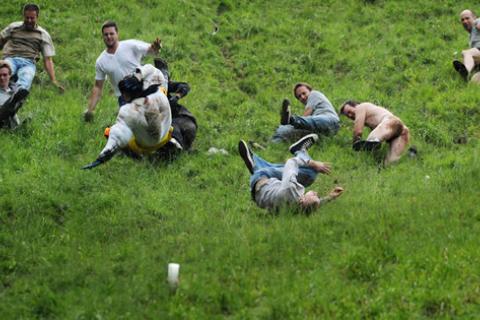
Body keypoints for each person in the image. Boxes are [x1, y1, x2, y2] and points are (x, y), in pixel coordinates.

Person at [82, 64, 174, 169]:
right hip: (166, 129)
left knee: (109, 131)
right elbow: (150, 68)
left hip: (150, 143)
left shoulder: (129, 111)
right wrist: (137, 77)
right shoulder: (155, 85)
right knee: (162, 90)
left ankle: (137, 156)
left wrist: (101, 157)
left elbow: (118, 135)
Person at [239, 133, 344, 213]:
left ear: (302, 199)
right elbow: (313, 206)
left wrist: (313, 163)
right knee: (304, 172)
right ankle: (256, 162)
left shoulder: (290, 189)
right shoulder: (295, 210)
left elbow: (291, 162)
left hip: (262, 177)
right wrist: (330, 197)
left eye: (314, 195)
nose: (316, 193)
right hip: (258, 196)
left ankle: (299, 151)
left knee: (311, 171)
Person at [84, 20, 163, 121]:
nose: (109, 37)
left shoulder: (130, 45)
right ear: (102, 37)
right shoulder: (101, 61)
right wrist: (90, 109)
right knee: (132, 130)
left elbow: (150, 50)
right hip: (124, 99)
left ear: (117, 34)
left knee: (155, 120)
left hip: (143, 89)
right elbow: (98, 87)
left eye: (111, 33)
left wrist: (156, 47)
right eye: (106, 34)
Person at [0, 3, 63, 92]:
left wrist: (53, 80)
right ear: (23, 16)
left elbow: (48, 59)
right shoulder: (14, 27)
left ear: (37, 17)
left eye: (32, 18)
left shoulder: (43, 34)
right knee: (2, 72)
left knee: (26, 78)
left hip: (28, 62)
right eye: (27, 18)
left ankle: (16, 95)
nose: (29, 20)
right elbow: (1, 40)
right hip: (10, 59)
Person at [339, 101, 410, 166]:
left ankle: (374, 140)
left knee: (372, 138)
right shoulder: (372, 116)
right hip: (403, 131)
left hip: (391, 122)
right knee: (391, 163)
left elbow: (358, 131)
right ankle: (411, 156)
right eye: (348, 116)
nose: (350, 115)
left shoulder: (360, 107)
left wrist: (355, 145)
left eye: (349, 111)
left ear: (355, 105)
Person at [272, 82, 339, 142]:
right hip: (322, 133)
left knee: (298, 123)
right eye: (299, 96)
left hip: (329, 121)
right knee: (283, 129)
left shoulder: (314, 94)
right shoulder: (311, 114)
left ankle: (290, 119)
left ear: (310, 90)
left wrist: (292, 123)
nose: (302, 97)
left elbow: (306, 115)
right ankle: (275, 141)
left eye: (304, 93)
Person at [154, 58, 197, 151]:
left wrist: (177, 96)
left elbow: (184, 86)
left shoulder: (165, 87)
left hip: (182, 121)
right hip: (160, 126)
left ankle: (176, 144)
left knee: (172, 127)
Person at [0, 60, 29, 129]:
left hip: (10, 122)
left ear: (10, 75)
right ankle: (11, 103)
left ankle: (18, 128)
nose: (2, 78)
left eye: (5, 75)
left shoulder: (14, 90)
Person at [453, 10, 480, 81]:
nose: (465, 21)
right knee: (474, 81)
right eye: (462, 20)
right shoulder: (471, 36)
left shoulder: (477, 21)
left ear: (474, 17)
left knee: (466, 53)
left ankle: (466, 71)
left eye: (467, 18)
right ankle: (466, 70)